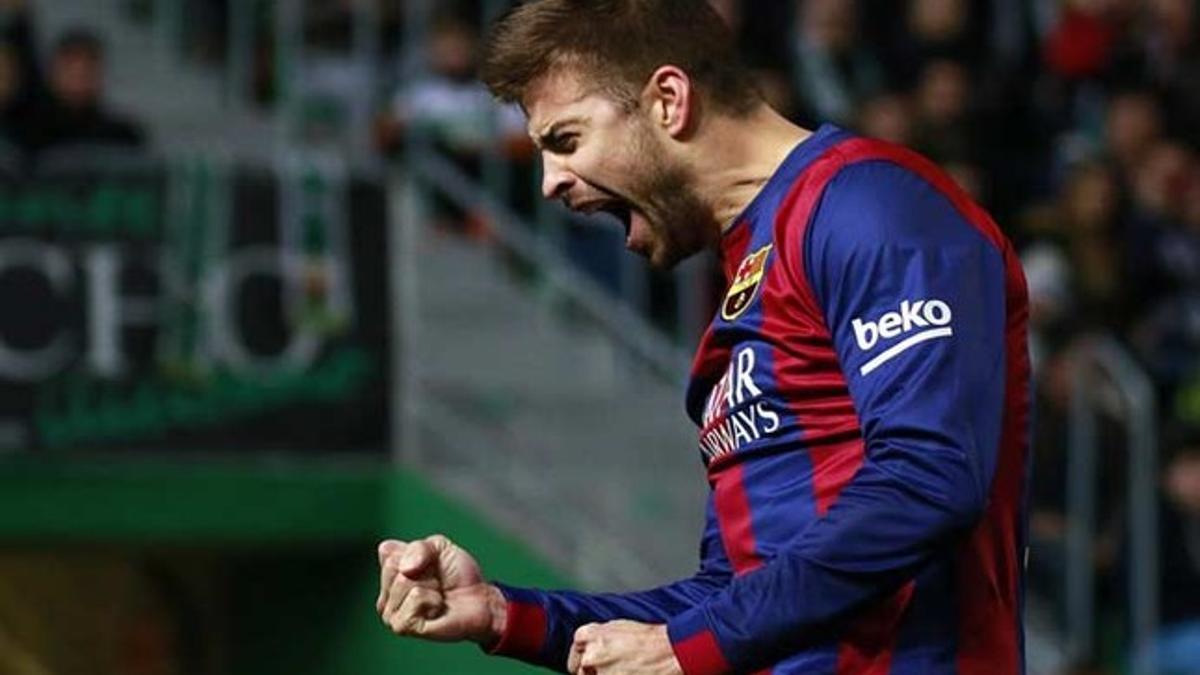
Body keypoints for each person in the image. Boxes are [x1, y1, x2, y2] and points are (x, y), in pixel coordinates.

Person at [376, 1, 1031, 673]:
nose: (549, 183)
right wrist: (503, 614)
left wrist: (692, 648)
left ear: (668, 99)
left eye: (566, 140)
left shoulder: (870, 208)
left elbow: (930, 477)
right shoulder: (742, 285)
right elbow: (728, 595)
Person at [25, 28, 145, 155]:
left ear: (101, 74)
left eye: (88, 69)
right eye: (70, 67)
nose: (79, 75)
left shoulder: (124, 137)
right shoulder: (27, 135)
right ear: (52, 73)